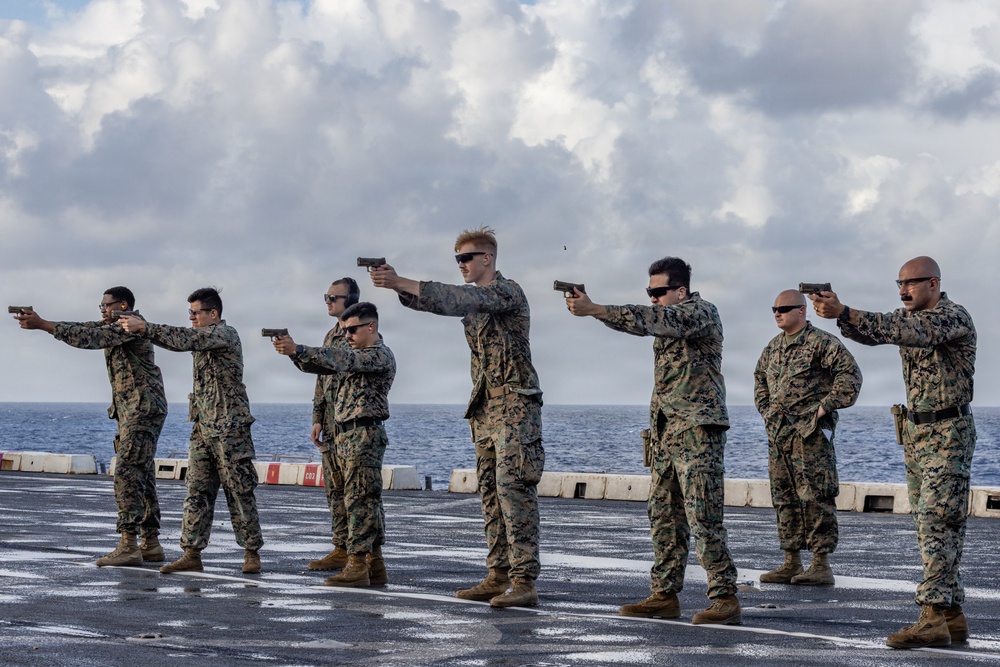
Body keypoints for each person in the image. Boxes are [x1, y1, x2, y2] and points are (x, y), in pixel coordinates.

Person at [369, 226, 544, 608]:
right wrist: (398, 288)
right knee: (491, 495)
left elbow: (457, 296)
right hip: (485, 410)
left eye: (466, 258)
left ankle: (524, 581)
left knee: (514, 494)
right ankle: (498, 574)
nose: (461, 264)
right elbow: (439, 303)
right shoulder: (474, 302)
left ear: (487, 258)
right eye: (457, 259)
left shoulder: (507, 292)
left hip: (516, 408)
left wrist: (401, 280)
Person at [811, 256, 975, 649]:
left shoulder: (951, 317)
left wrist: (846, 311)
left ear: (933, 283)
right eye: (899, 284)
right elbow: (876, 334)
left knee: (937, 520)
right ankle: (951, 613)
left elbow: (903, 329)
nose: (903, 291)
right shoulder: (908, 318)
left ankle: (932, 616)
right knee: (930, 522)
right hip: (917, 432)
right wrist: (839, 315)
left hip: (947, 432)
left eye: (911, 283)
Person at [565, 256, 740, 625]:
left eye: (659, 291)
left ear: (681, 291)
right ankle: (664, 595)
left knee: (703, 516)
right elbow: (649, 322)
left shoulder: (700, 313)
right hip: (666, 433)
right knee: (663, 517)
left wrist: (595, 309)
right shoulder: (666, 321)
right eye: (649, 292)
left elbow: (648, 320)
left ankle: (724, 597)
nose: (653, 298)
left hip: (697, 432)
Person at [13, 288, 167, 567]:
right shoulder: (113, 325)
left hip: (141, 410)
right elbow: (83, 328)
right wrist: (42, 322)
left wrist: (43, 325)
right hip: (132, 410)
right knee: (141, 474)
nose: (102, 310)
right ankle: (151, 543)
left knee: (127, 473)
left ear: (123, 305)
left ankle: (129, 544)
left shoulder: (129, 326)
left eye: (106, 305)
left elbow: (91, 338)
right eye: (101, 306)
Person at [120, 287, 264, 575]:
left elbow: (185, 339)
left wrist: (145, 327)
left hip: (230, 428)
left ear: (214, 314)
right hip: (202, 427)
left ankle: (251, 552)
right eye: (190, 312)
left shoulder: (224, 334)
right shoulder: (202, 337)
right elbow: (185, 340)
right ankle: (191, 552)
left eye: (196, 312)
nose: (191, 317)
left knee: (239, 491)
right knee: (196, 491)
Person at [273, 301, 395, 587]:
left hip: (363, 434)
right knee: (361, 500)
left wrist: (299, 348)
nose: (347, 335)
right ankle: (374, 563)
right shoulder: (354, 354)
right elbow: (322, 366)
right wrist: (294, 354)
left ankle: (357, 564)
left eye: (352, 330)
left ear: (371, 327)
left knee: (360, 500)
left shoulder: (378, 355)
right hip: (347, 435)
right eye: (345, 330)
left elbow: (341, 359)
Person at [753, 290, 862, 587]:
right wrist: (767, 412)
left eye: (784, 308)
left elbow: (850, 375)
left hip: (811, 434)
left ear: (802, 311)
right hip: (780, 435)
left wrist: (823, 408)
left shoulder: (821, 343)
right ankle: (791, 561)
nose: (777, 313)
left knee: (816, 495)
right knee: (784, 497)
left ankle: (821, 564)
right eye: (774, 309)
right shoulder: (773, 348)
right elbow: (760, 380)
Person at [290, 277, 360, 572]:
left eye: (334, 297)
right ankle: (341, 547)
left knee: (357, 494)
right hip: (330, 425)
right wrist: (317, 418)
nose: (328, 302)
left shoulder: (358, 334)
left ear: (351, 300)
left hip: (351, 425)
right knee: (334, 490)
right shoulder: (331, 334)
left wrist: (299, 349)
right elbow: (321, 378)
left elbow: (337, 362)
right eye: (326, 297)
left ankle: (363, 553)